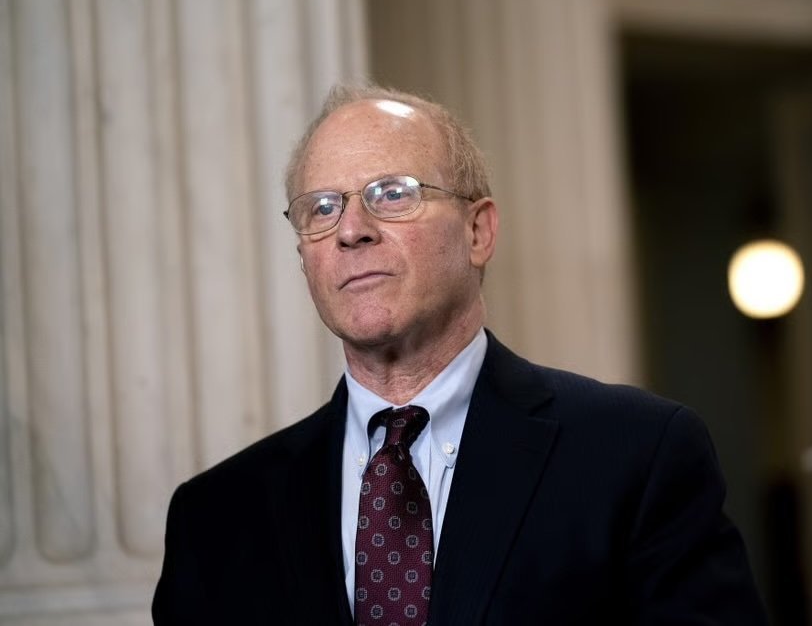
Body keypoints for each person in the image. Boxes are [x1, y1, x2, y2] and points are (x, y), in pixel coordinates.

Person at [152, 84, 767, 626]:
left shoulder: (638, 456)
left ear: (478, 232)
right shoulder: (215, 516)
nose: (350, 229)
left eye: (391, 194)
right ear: (304, 257)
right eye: (321, 208)